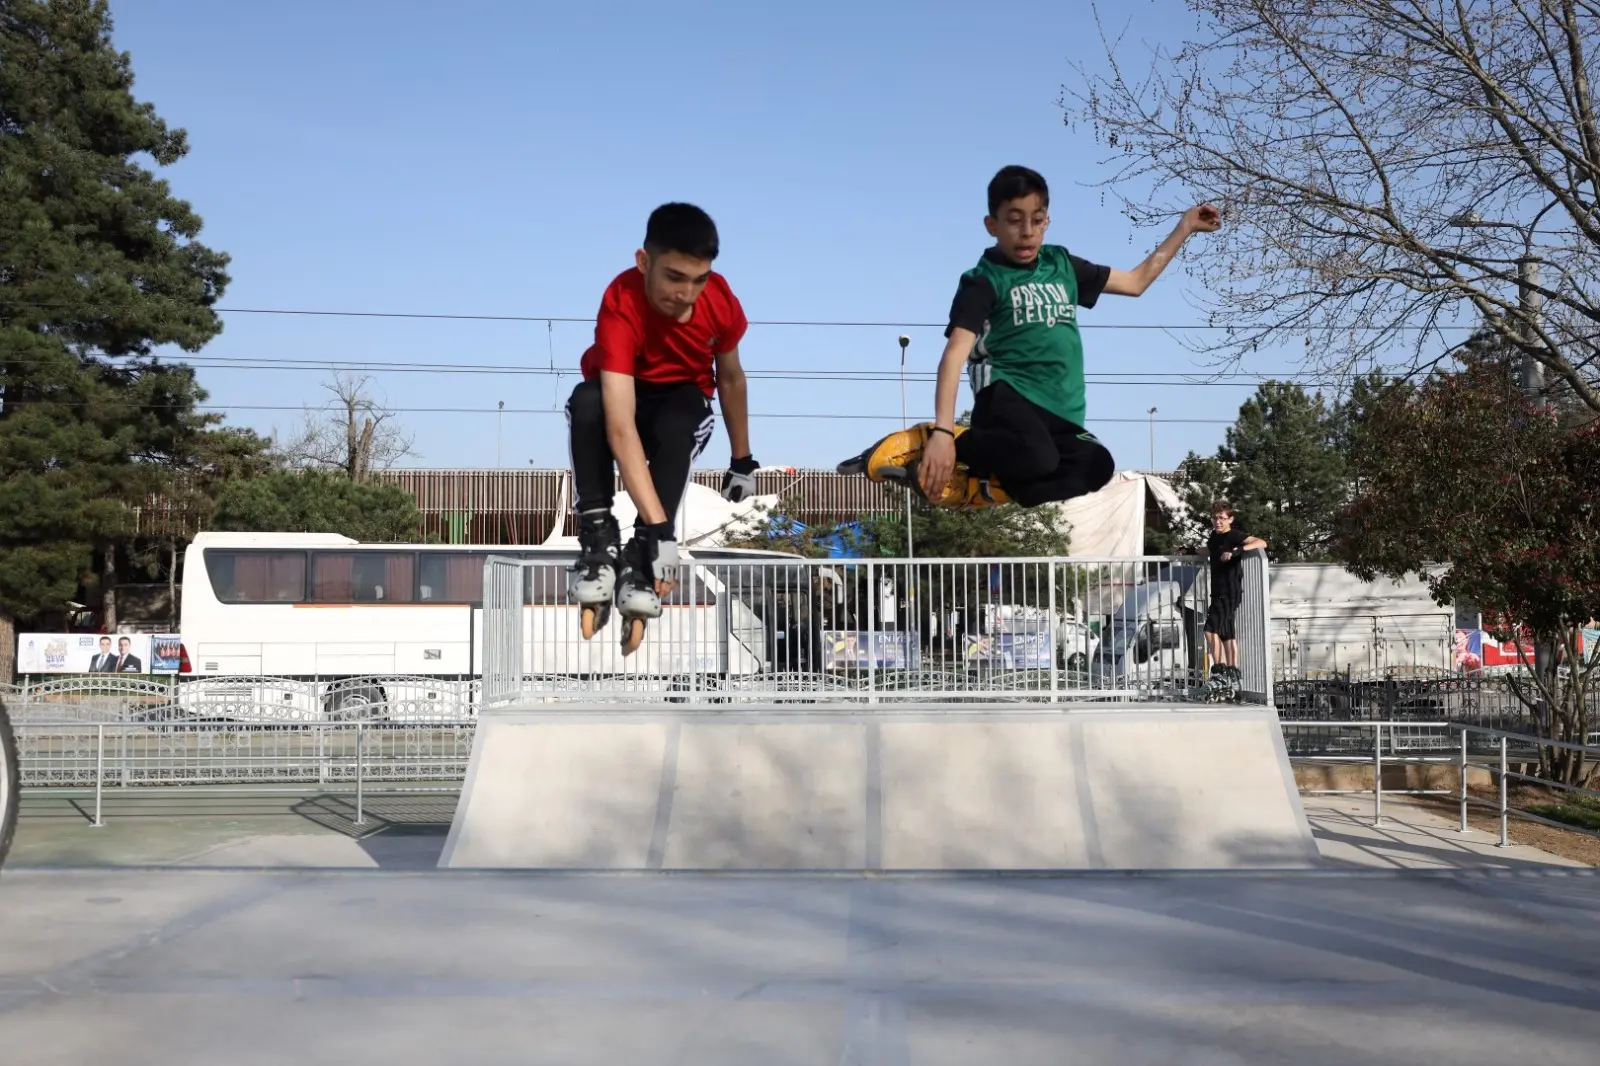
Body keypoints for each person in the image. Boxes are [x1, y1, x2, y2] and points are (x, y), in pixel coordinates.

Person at [916, 165, 1221, 507]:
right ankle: (956, 444)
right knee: (1039, 458)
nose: (1027, 232)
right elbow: (955, 353)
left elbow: (1136, 283)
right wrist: (943, 430)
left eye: (1037, 219)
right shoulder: (983, 280)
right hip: (1005, 396)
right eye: (1014, 220)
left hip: (1057, 410)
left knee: (1096, 465)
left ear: (1047, 221)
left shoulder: (1062, 266)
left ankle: (987, 484)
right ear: (992, 225)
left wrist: (1186, 227)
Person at [565, 202, 759, 627]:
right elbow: (619, 425)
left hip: (681, 402)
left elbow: (730, 379)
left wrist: (742, 461)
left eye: (698, 280)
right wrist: (663, 533)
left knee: (680, 420)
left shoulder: (720, 301)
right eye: (674, 277)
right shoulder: (621, 300)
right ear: (643, 262)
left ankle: (643, 554)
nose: (686, 294)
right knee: (586, 402)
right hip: (624, 400)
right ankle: (599, 539)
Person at [1205, 500, 1268, 681]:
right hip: (1218, 591)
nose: (1218, 522)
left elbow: (1261, 542)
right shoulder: (1214, 537)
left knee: (1210, 630)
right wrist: (1188, 550)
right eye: (1215, 518)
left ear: (1230, 519)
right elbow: (1210, 552)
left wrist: (1237, 550)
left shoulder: (1233, 535)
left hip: (1229, 591)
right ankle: (1233, 670)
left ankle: (1219, 670)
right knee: (1226, 632)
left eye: (1222, 518)